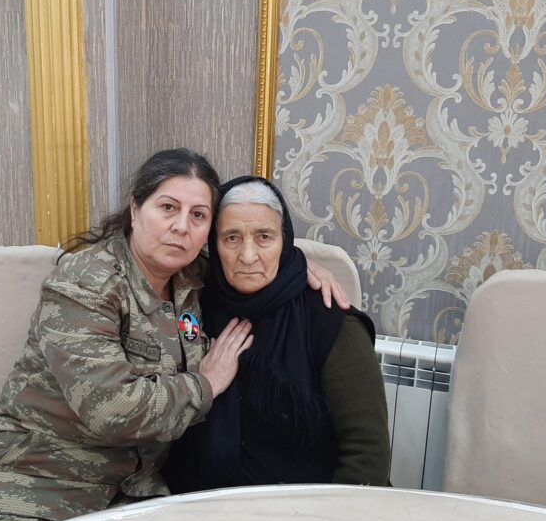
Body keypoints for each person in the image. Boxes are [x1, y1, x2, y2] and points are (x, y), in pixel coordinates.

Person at [0, 149, 348, 521]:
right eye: (168, 208)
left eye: (198, 215)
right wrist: (206, 383)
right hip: (36, 490)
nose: (181, 226)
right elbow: (111, 409)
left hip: (134, 497)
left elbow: (251, 259)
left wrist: (297, 267)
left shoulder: (195, 277)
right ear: (135, 209)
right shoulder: (84, 284)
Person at [163, 176, 391, 493]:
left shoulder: (330, 322)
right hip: (198, 504)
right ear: (213, 245)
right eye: (231, 238)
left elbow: (367, 457)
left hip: (305, 511)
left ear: (285, 241)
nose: (247, 256)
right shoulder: (192, 305)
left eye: (264, 237)